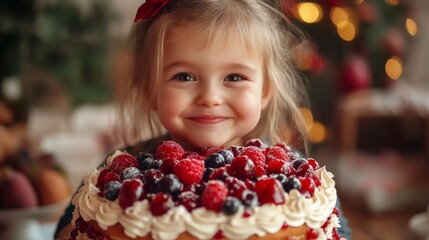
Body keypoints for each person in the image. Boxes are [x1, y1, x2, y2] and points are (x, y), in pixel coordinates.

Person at [55, 0, 351, 239]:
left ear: (264, 91)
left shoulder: (294, 174)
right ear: (149, 90)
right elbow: (73, 225)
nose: (210, 97)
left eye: (234, 77)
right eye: (184, 76)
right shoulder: (119, 169)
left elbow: (337, 229)